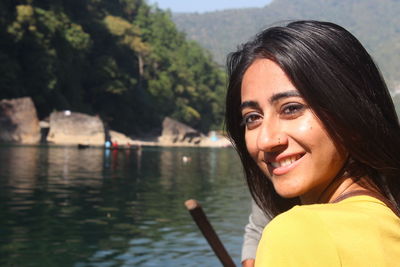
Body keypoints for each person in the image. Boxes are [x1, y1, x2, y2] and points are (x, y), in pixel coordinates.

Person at [226, 20, 400, 266]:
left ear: (351, 115)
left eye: (292, 109)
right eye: (252, 118)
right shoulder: (388, 222)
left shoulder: (296, 234)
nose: (266, 140)